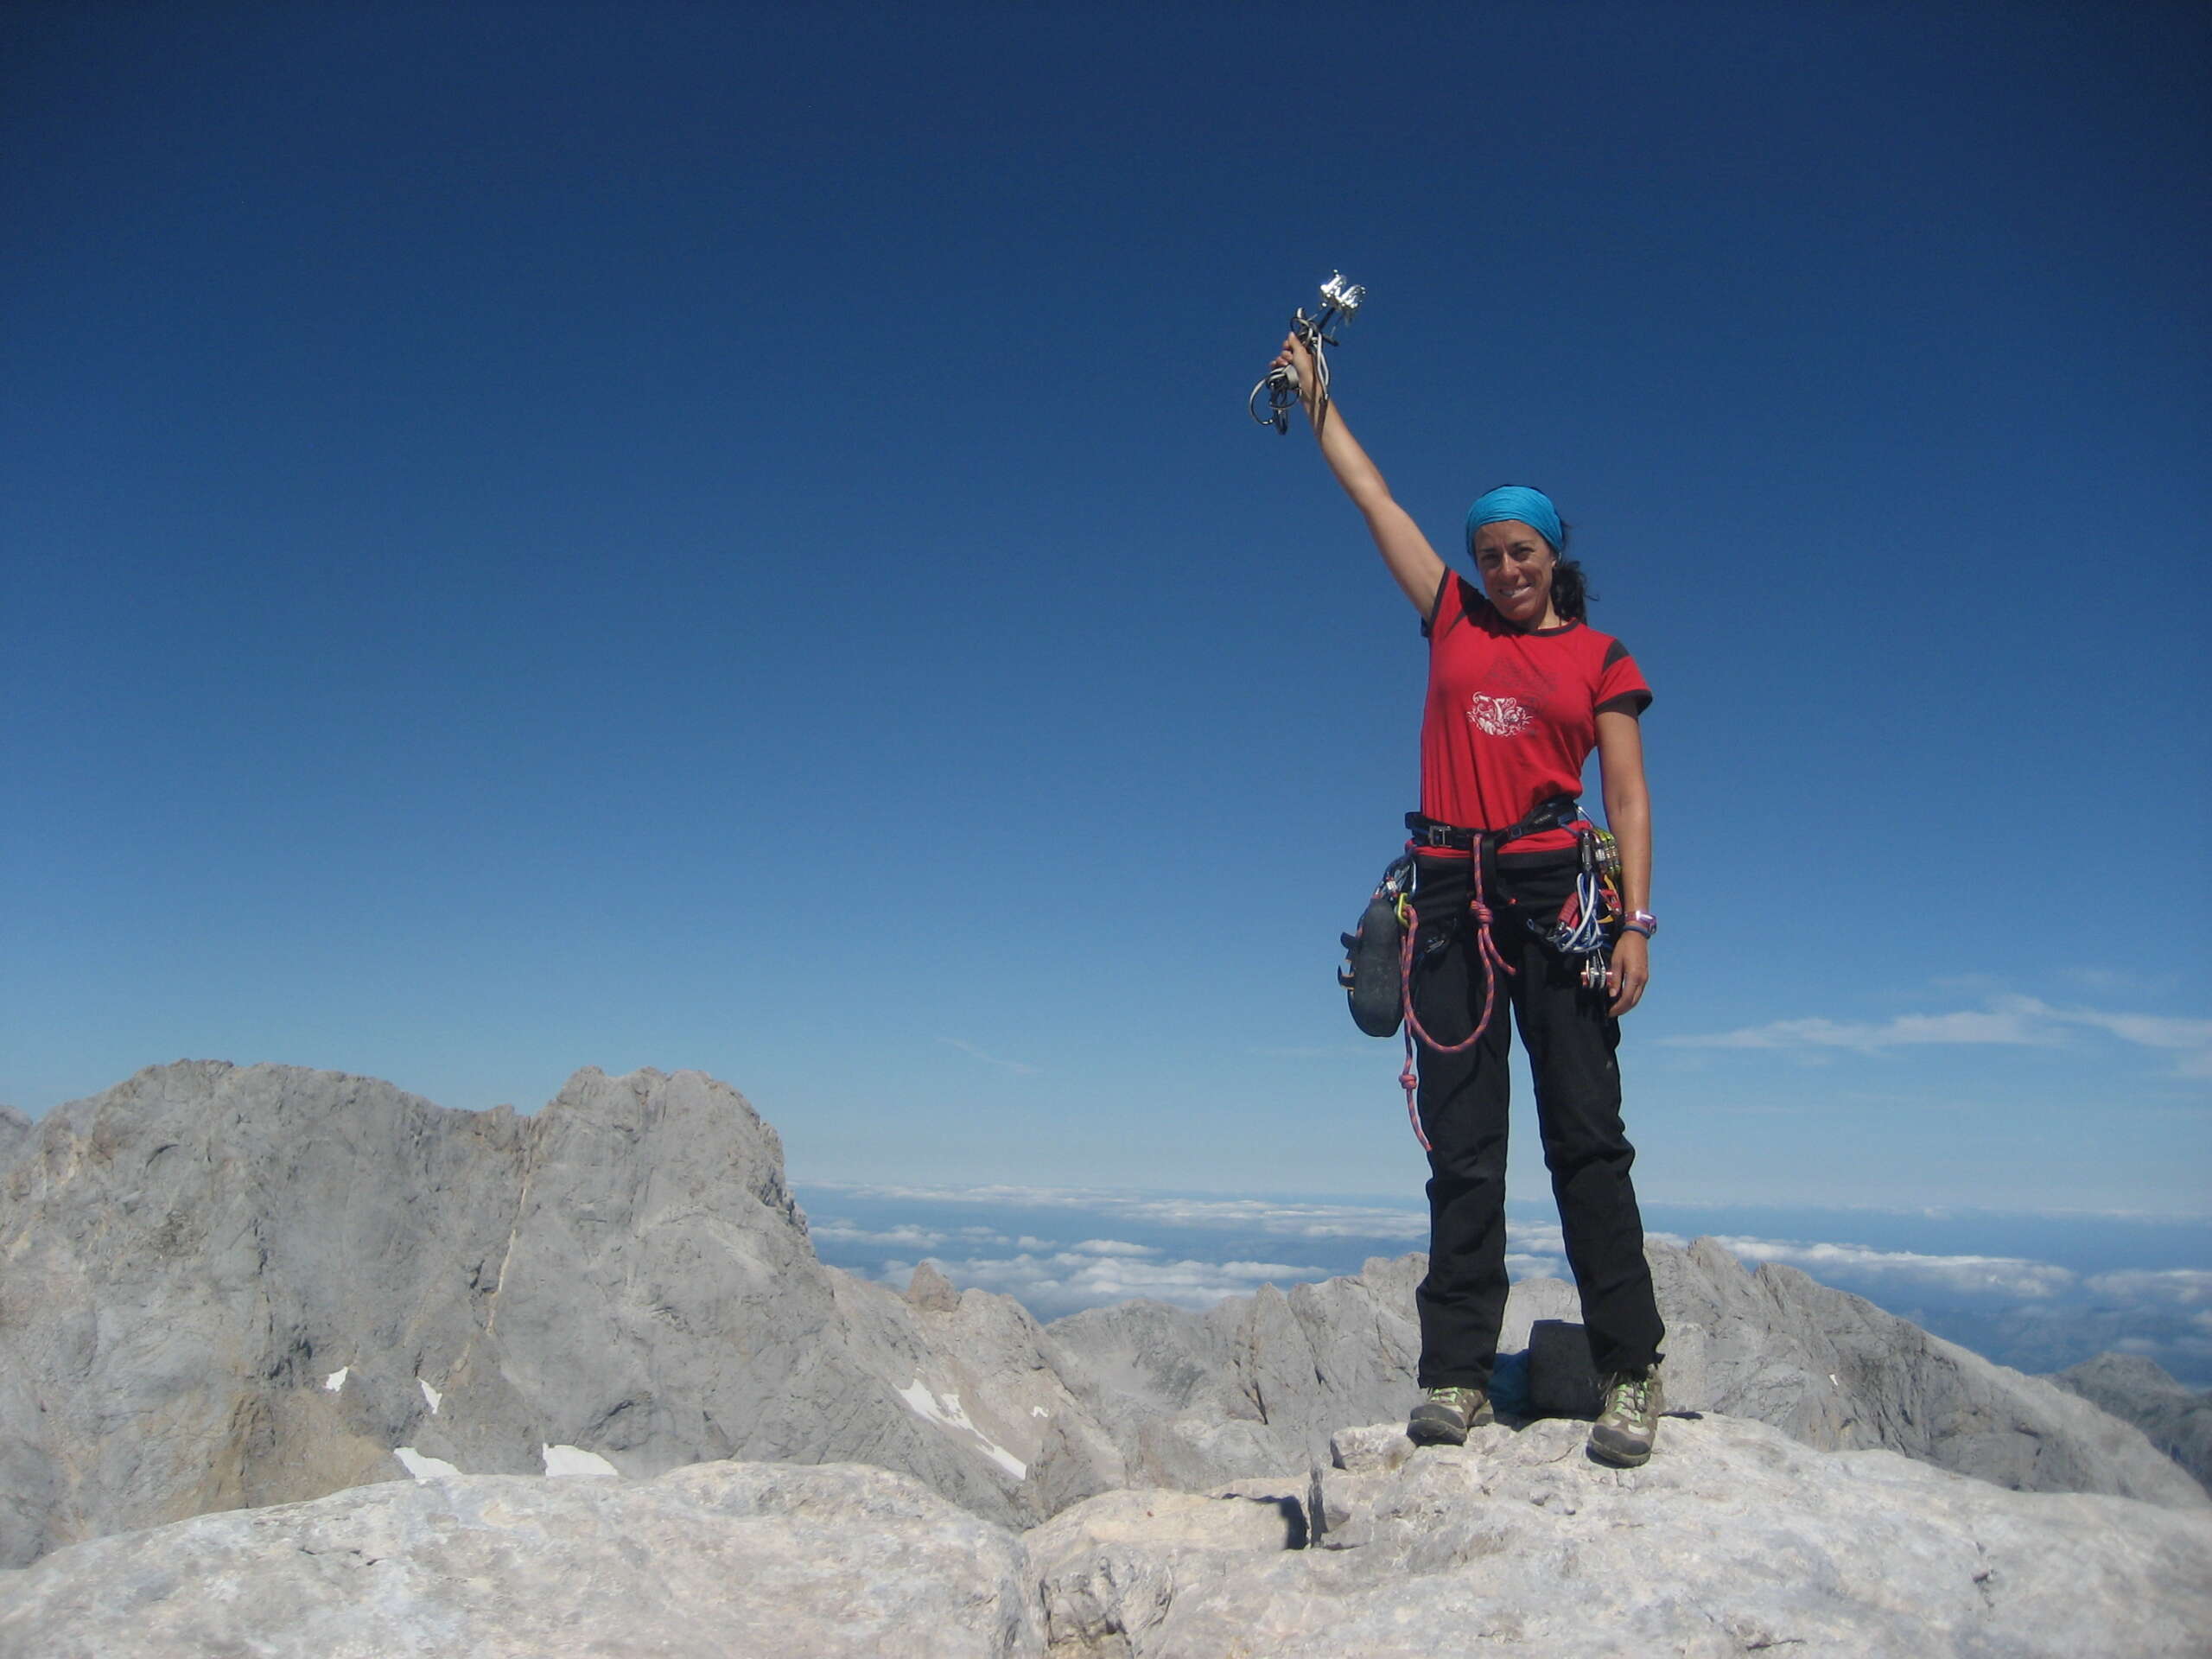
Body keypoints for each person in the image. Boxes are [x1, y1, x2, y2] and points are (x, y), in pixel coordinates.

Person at [1274, 330, 1668, 1467]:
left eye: (1521, 552)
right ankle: (1456, 1374)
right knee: (1465, 1152)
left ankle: (1628, 1370)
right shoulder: (1449, 617)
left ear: (1552, 555)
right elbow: (1372, 497)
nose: (1503, 569)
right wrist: (1320, 405)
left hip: (1556, 897)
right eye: (1489, 553)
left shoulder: (1601, 657)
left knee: (1587, 1141)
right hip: (1449, 894)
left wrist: (1637, 922)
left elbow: (1630, 800)